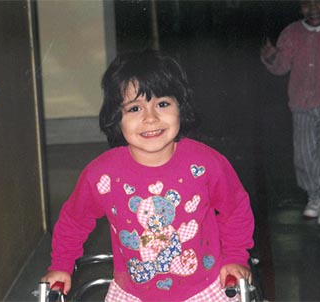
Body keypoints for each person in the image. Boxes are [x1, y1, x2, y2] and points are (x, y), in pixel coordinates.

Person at [41, 50, 254, 301]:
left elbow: (235, 209)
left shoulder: (207, 164)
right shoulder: (102, 176)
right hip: (132, 293)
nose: (150, 118)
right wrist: (62, 264)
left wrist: (235, 257)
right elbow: (74, 220)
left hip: (204, 288)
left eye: (162, 104)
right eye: (134, 108)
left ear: (180, 107)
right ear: (116, 117)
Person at [259, 0, 320, 225]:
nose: (313, 9)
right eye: (306, 5)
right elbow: (281, 67)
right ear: (299, 8)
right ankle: (317, 195)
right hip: (301, 104)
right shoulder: (291, 33)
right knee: (304, 154)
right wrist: (271, 56)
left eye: (318, 3)